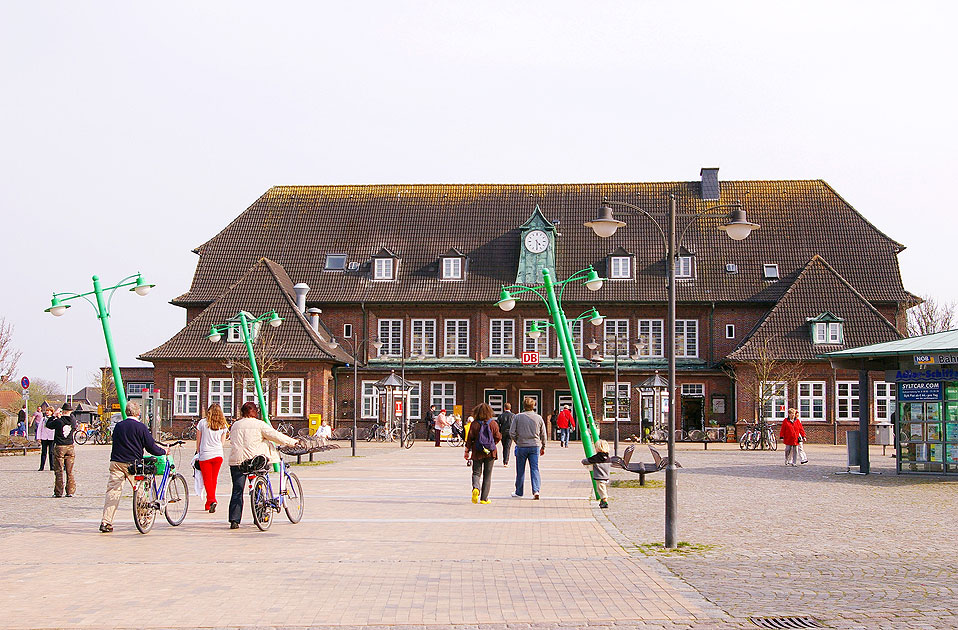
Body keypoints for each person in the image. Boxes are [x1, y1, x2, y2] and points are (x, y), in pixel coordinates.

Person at [98, 401, 167, 533]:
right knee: (140, 492)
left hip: (116, 462)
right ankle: (144, 517)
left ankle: (106, 522)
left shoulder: (118, 426)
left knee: (113, 492)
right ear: (138, 413)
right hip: (133, 464)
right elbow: (151, 447)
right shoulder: (141, 427)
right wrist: (164, 452)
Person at [227, 402, 298, 529]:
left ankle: (234, 520)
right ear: (255, 412)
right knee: (259, 487)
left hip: (237, 462)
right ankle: (259, 516)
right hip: (255, 461)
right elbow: (275, 436)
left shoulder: (235, 425)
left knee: (237, 490)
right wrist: (293, 442)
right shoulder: (259, 424)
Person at [509, 396, 547, 499]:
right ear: (533, 406)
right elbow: (543, 434)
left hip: (521, 446)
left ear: (524, 405)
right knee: (534, 468)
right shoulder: (539, 418)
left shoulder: (517, 417)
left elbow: (511, 432)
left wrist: (517, 440)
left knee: (520, 470)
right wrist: (543, 446)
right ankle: (536, 490)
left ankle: (519, 491)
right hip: (534, 446)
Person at [464, 403, 501, 504]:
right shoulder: (493, 423)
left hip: (477, 452)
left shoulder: (474, 424)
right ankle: (484, 499)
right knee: (487, 475)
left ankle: (476, 488)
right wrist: (491, 444)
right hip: (490, 453)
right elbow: (498, 437)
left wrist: (467, 451)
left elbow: (469, 439)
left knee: (476, 473)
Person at [196, 403, 229, 513]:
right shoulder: (223, 425)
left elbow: (198, 441)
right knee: (213, 480)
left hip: (205, 454)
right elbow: (222, 442)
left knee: (207, 479)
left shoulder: (202, 423)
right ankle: (208, 503)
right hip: (218, 455)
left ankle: (211, 499)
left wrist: (198, 452)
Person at [46, 403, 77, 497]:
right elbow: (74, 426)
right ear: (70, 411)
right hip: (70, 447)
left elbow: (48, 425)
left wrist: (54, 416)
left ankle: (59, 492)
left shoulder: (59, 421)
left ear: (62, 411)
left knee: (59, 470)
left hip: (60, 447)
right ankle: (70, 491)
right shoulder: (73, 421)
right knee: (69, 471)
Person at [582, 439, 611, 508]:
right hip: (606, 475)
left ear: (598, 448)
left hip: (599, 475)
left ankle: (604, 500)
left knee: (600, 488)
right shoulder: (607, 457)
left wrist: (584, 461)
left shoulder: (597, 457)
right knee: (602, 487)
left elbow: (587, 461)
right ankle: (603, 500)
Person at [496, 403, 515, 467]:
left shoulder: (501, 416)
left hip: (503, 433)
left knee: (504, 447)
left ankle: (505, 460)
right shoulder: (513, 416)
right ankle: (506, 461)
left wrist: (499, 432)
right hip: (510, 433)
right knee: (507, 447)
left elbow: (497, 424)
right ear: (510, 408)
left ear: (504, 408)